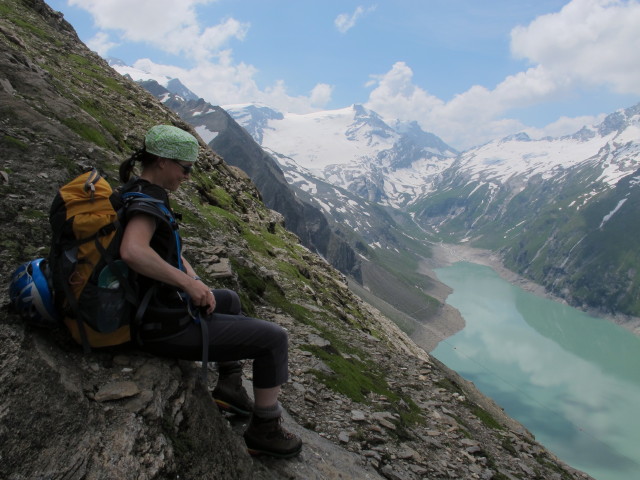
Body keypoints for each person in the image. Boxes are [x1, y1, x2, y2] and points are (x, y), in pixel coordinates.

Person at [118, 124, 302, 458]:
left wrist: (194, 279)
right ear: (161, 161)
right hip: (158, 325)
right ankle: (265, 429)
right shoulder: (147, 202)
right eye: (184, 168)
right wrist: (187, 284)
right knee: (274, 339)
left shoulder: (137, 190)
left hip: (151, 307)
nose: (187, 176)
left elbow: (164, 250)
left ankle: (230, 385)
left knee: (227, 299)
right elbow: (133, 251)